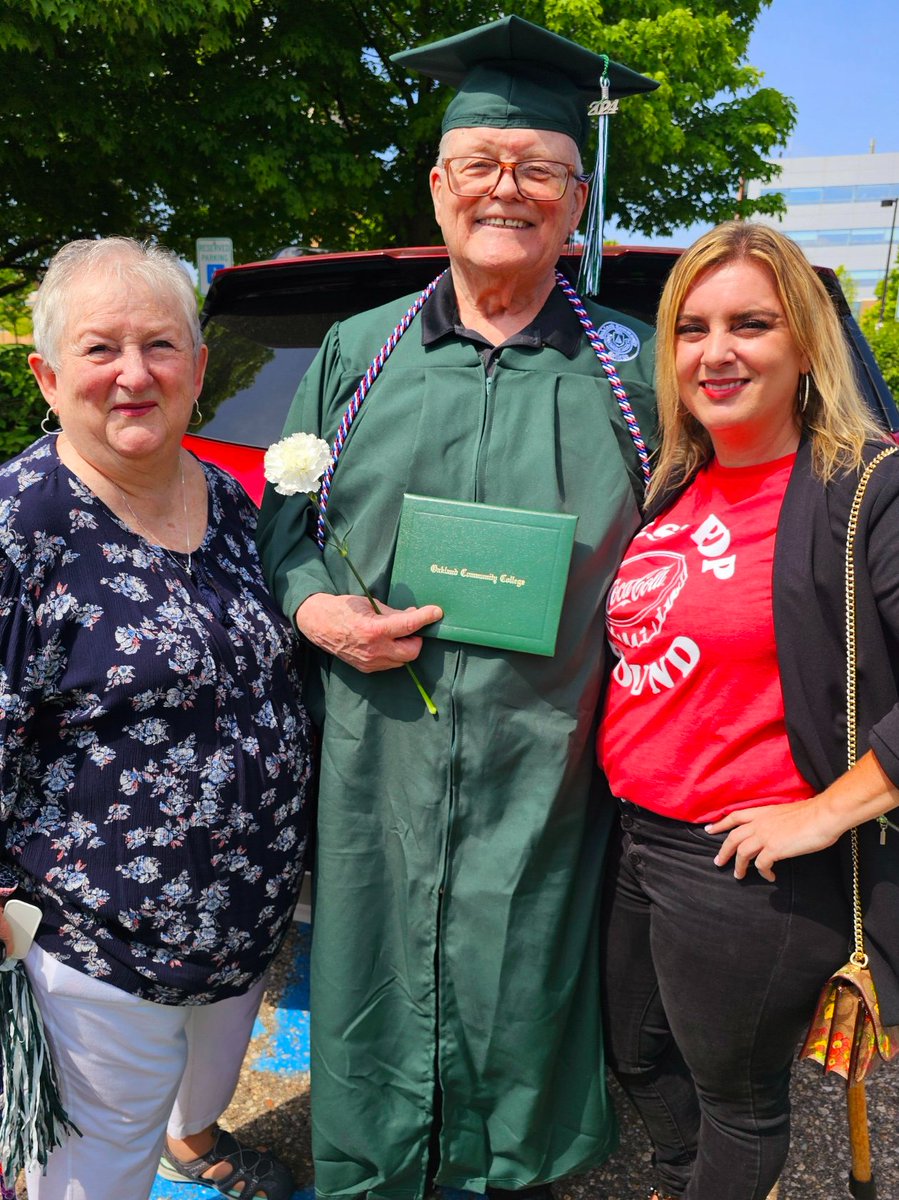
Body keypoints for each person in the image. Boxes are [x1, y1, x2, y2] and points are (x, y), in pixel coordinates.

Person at [257, 15, 659, 1200]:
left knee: (520, 969)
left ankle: (508, 1175)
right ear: (437, 184)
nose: (506, 191)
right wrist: (317, 611)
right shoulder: (358, 351)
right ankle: (370, 1171)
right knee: (372, 965)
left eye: (537, 170)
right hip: (378, 747)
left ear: (574, 199)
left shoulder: (631, 374)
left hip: (548, 754)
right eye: (479, 165)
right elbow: (287, 524)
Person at [0, 237, 314, 1200]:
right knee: (92, 1175)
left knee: (192, 1096)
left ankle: (194, 1140)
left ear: (200, 369)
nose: (134, 375)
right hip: (95, 946)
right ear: (47, 376)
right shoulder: (20, 529)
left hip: (241, 923)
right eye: (100, 350)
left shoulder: (225, 500)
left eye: (160, 346)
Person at [597, 220, 899, 1200]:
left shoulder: (865, 488)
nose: (713, 351)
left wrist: (822, 811)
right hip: (635, 834)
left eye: (749, 324)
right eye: (690, 328)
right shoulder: (677, 486)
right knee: (635, 1056)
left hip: (743, 861)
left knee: (737, 1102)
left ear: (805, 344)